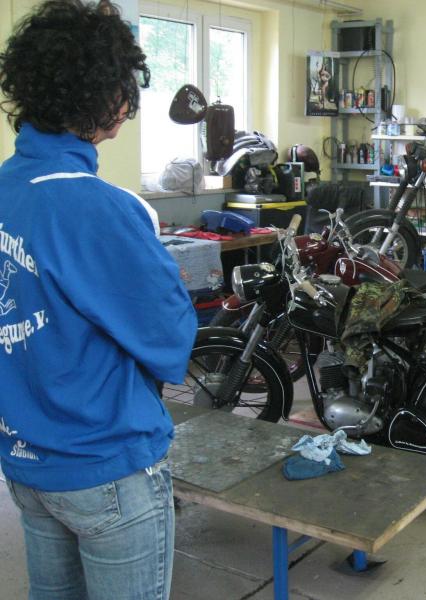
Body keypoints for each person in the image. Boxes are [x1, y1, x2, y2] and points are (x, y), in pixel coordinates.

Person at [0, 1, 197, 598]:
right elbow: (170, 337)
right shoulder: (96, 206)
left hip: (26, 459)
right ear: (110, 98)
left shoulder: (9, 188)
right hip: (105, 464)